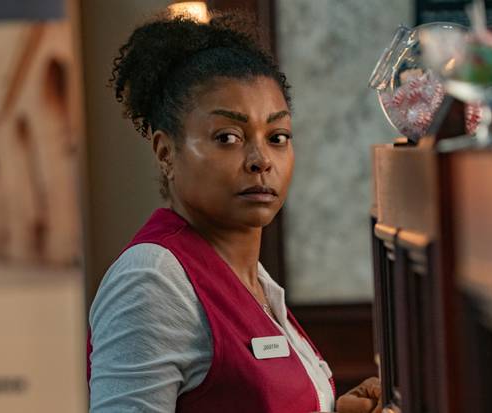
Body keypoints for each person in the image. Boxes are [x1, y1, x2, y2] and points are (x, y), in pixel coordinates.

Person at [88, 12, 380, 412]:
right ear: (165, 152)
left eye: (277, 137)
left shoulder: (252, 280)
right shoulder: (153, 279)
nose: (261, 159)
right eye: (228, 137)